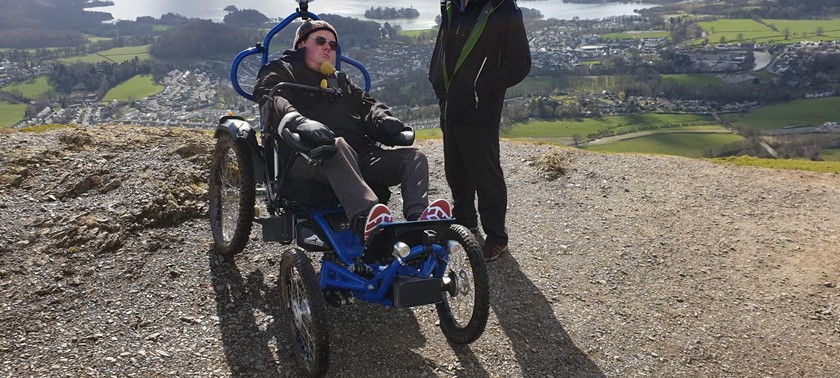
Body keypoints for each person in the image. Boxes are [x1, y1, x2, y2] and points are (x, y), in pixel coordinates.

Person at [254, 20, 451, 240]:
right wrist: (297, 120)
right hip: (308, 156)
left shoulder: (339, 80)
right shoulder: (281, 70)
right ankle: (367, 221)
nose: (328, 47)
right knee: (336, 145)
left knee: (413, 157)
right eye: (320, 41)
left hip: (358, 157)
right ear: (300, 45)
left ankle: (418, 222)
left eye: (333, 44)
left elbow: (367, 105)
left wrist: (384, 120)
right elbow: (270, 95)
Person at [428, 0, 531, 261]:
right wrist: (437, 80)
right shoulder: (452, 7)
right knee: (456, 170)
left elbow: (520, 63)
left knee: (486, 176)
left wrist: (479, 88)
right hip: (450, 106)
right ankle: (465, 222)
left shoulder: (502, 9)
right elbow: (444, 48)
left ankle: (496, 237)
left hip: (479, 109)